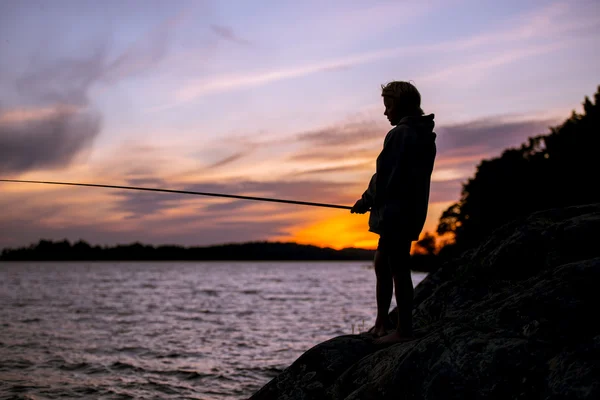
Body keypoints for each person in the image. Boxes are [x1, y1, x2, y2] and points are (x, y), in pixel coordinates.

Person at [351, 81, 437, 344]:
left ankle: (403, 331)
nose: (385, 112)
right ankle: (382, 322)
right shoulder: (423, 135)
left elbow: (386, 175)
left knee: (397, 266)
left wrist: (366, 200)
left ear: (401, 105)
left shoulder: (401, 134)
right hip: (407, 212)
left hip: (396, 214)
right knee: (383, 262)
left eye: (388, 106)